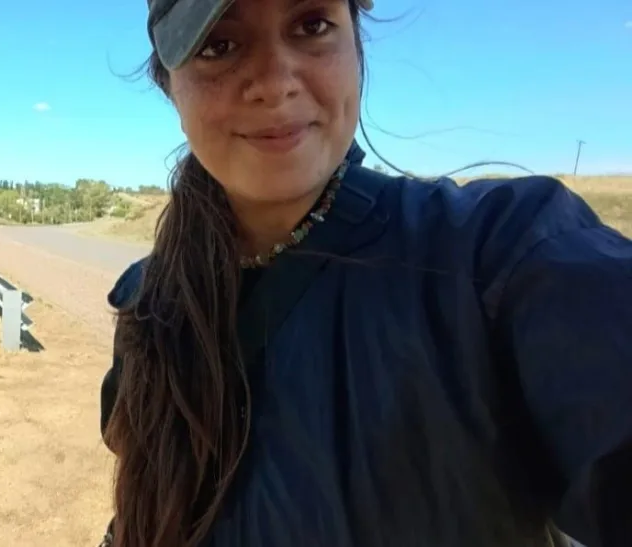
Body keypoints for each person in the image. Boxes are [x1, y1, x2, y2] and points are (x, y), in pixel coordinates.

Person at [97, 0, 632, 546]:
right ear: (169, 85)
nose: (275, 83)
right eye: (218, 46)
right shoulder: (151, 303)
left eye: (311, 26)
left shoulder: (499, 253)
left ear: (356, 46)